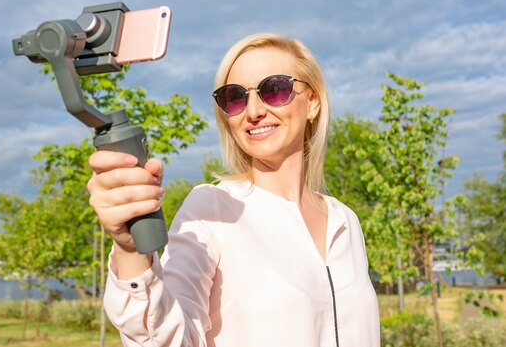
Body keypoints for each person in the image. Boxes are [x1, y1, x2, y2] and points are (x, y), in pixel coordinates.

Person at [87, 33, 380, 347]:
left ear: (311, 102)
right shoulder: (212, 207)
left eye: (274, 89)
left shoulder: (345, 221)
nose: (253, 110)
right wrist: (131, 251)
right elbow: (163, 337)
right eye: (235, 97)